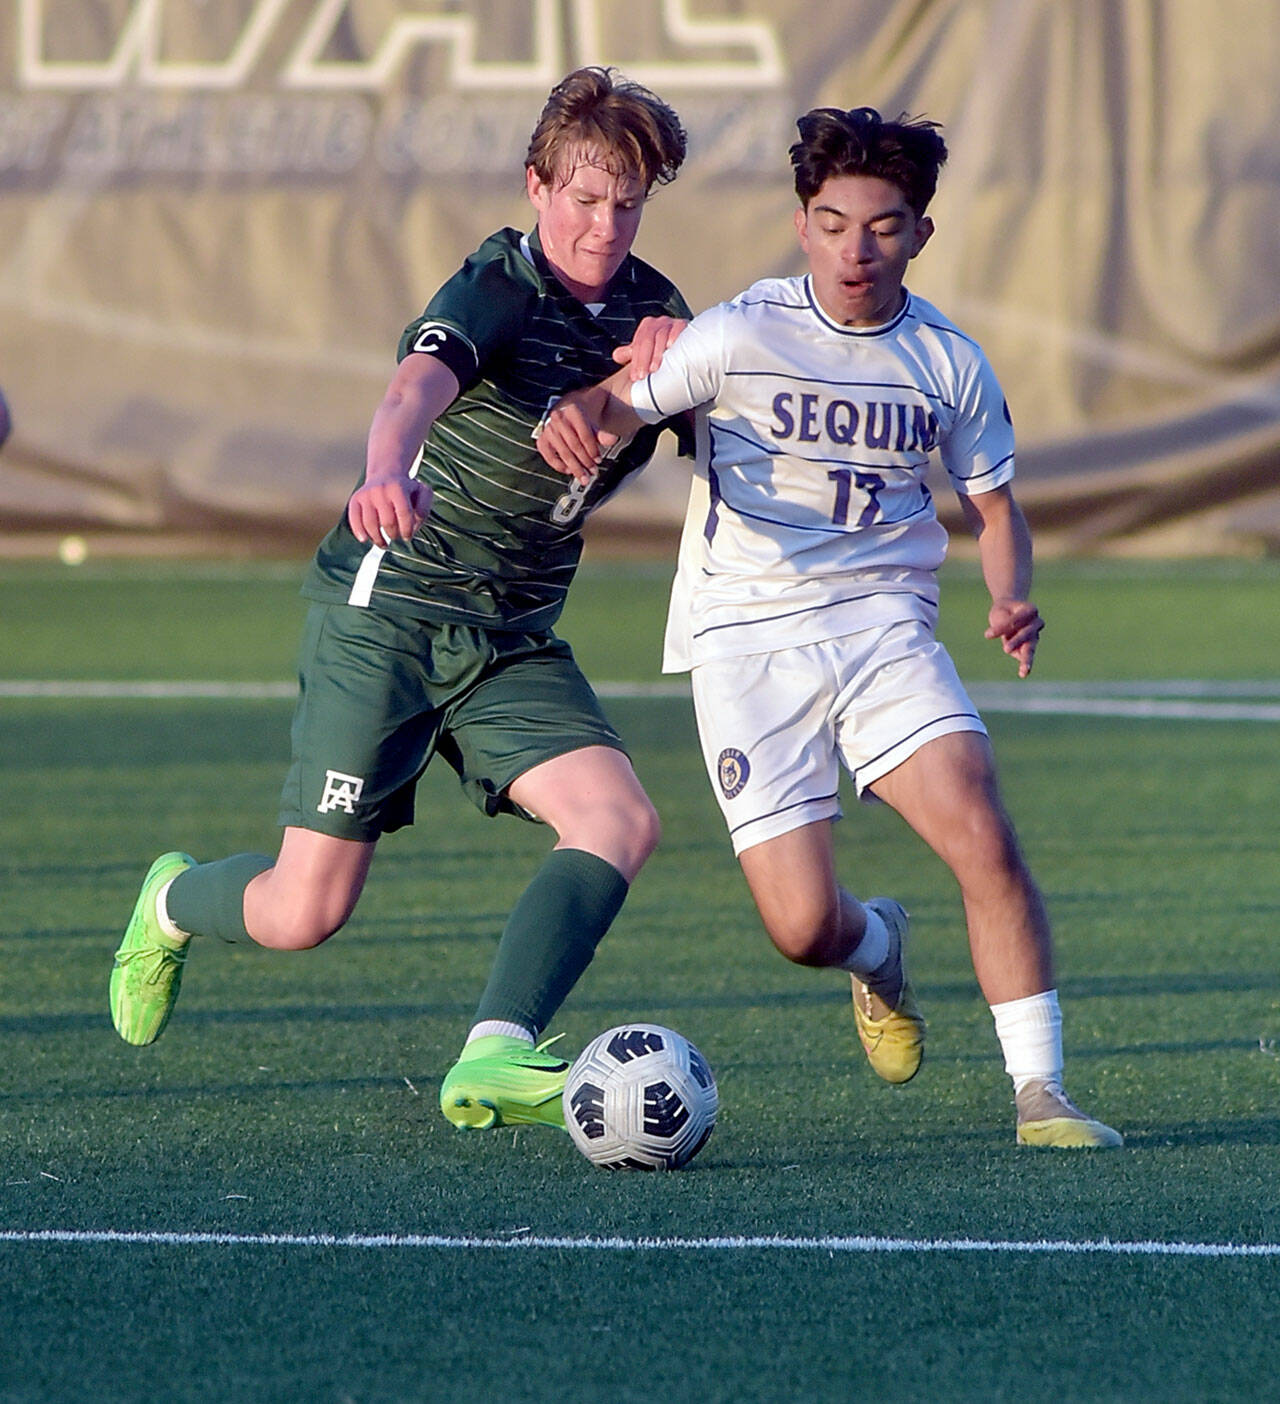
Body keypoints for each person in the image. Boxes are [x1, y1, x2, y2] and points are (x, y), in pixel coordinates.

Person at [109, 67, 694, 1135]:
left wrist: (660, 375)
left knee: (618, 819)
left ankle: (492, 1053)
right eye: (583, 197)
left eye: (627, 203)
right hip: (393, 610)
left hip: (511, 634)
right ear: (535, 185)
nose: (603, 225)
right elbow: (411, 390)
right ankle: (170, 901)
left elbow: (724, 413)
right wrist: (386, 470)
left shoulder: (661, 315)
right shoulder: (498, 285)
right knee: (301, 913)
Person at [536, 105, 1122, 1149]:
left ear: (919, 234)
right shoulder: (739, 332)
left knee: (980, 832)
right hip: (744, 642)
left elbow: (994, 509)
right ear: (801, 222)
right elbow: (616, 406)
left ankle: (1041, 1092)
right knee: (802, 928)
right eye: (833, 220)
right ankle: (875, 947)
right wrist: (579, 414)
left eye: (884, 225)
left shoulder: (947, 361)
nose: (857, 249)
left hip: (881, 631)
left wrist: (1007, 595)